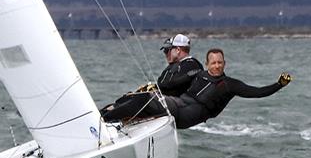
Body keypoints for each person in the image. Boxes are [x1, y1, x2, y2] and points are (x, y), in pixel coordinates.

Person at [101, 48, 292, 129]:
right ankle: (106, 113)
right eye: (213, 62)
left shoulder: (230, 85)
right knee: (140, 96)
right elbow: (172, 86)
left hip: (189, 115)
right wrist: (154, 88)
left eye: (220, 62)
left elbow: (257, 93)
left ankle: (104, 120)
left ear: (225, 63)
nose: (217, 66)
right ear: (208, 64)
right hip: (179, 104)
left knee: (145, 101)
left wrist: (279, 85)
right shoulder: (199, 74)